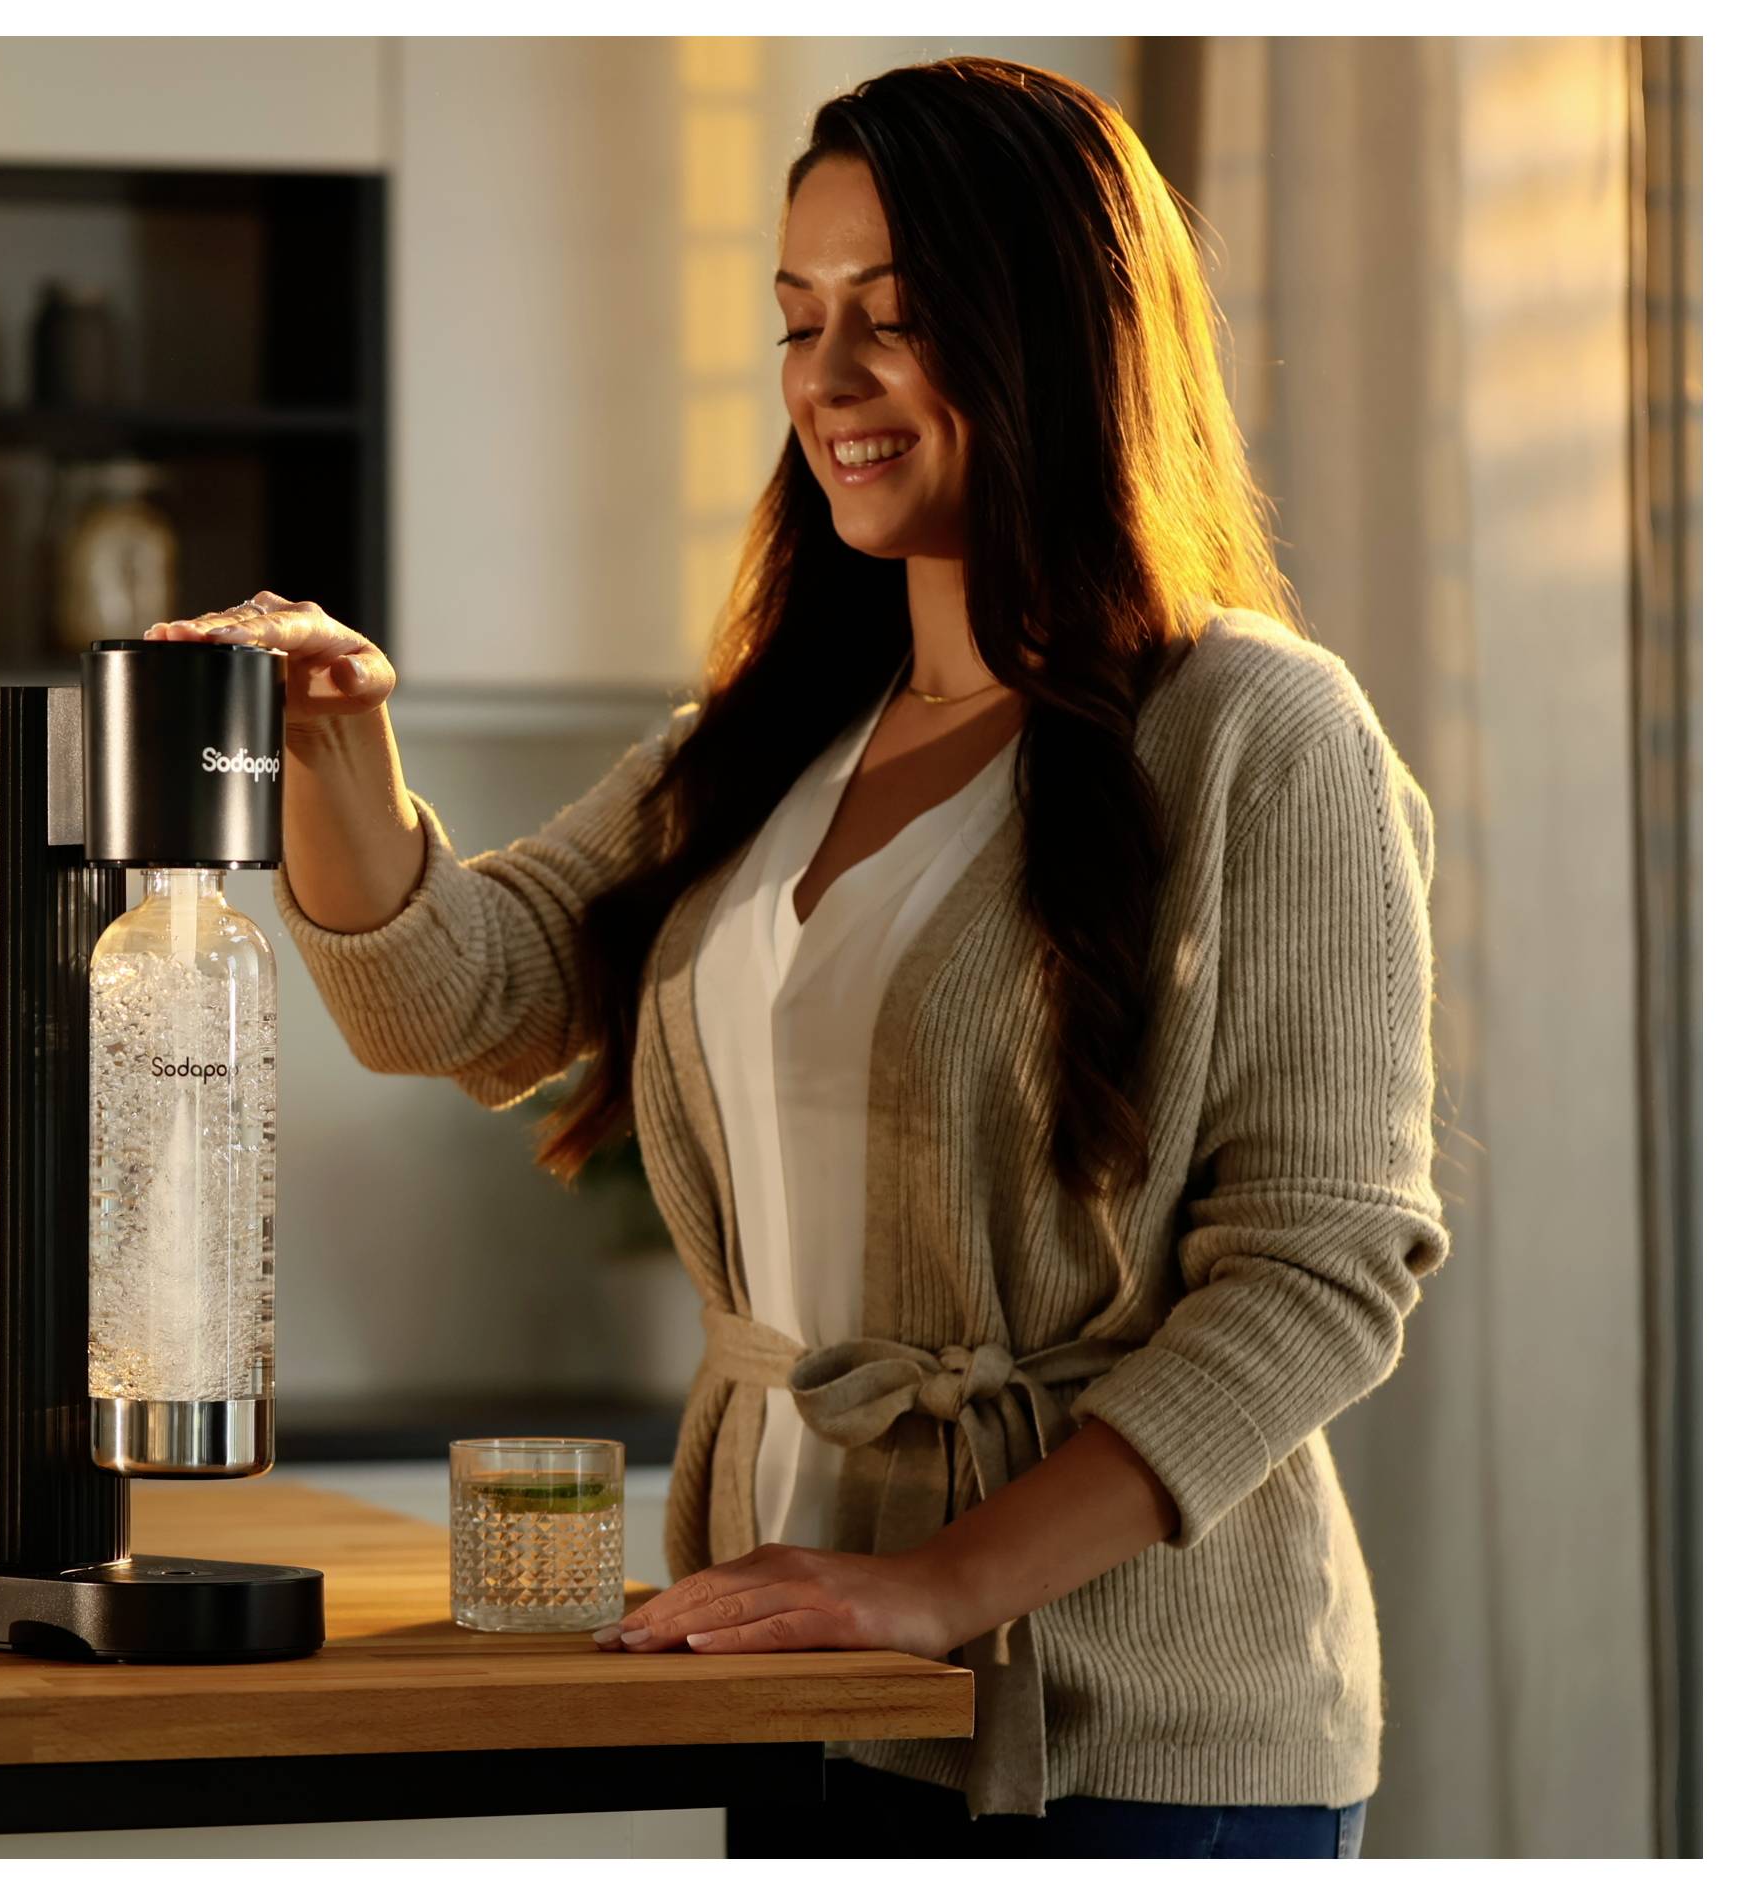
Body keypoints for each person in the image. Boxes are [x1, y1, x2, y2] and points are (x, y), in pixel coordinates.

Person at [146, 56, 1440, 1861]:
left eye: (891, 324)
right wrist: (339, 746)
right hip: (788, 1677)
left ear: (1059, 343)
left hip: (1127, 1737)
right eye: (795, 320)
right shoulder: (762, 742)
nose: (824, 383)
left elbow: (1318, 1273)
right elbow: (459, 1003)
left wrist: (935, 1589)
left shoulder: (1254, 731)